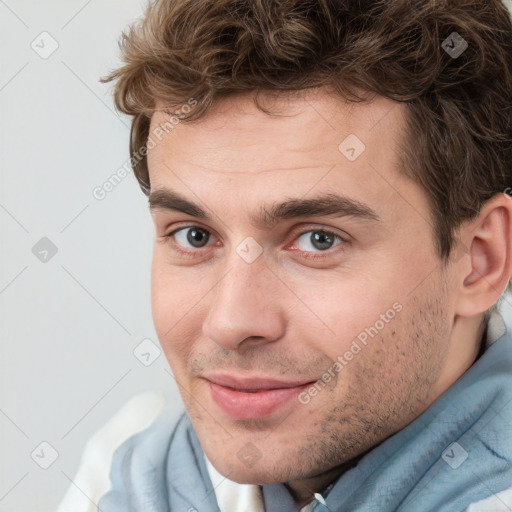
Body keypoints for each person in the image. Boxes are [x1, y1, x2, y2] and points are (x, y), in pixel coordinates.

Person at [57, 0, 512, 510]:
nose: (231, 322)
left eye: (319, 239)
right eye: (194, 236)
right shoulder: (130, 476)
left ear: (479, 261)